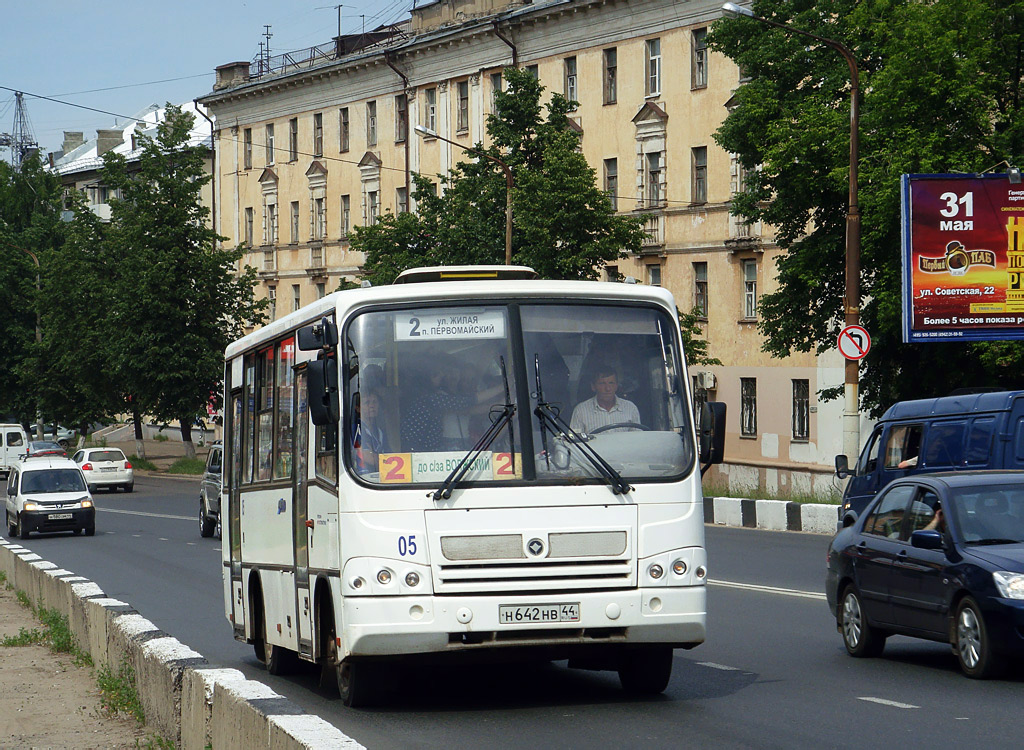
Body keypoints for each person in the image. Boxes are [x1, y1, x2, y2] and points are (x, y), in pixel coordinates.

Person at [401, 356, 503, 452]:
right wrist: (504, 387)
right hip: (420, 451)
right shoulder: (430, 399)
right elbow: (467, 403)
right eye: (435, 374)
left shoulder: (428, 396)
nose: (442, 376)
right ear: (425, 377)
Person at [570, 365, 641, 435]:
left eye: (611, 383)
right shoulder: (580, 411)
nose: (608, 388)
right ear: (593, 387)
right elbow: (574, 440)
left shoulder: (631, 408)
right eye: (602, 383)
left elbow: (637, 440)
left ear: (616, 386)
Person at [353, 389, 389, 474]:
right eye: (367, 403)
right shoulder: (356, 429)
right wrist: (386, 461)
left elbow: (389, 454)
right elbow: (367, 457)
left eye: (374, 402)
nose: (372, 406)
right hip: (363, 477)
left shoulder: (380, 431)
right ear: (358, 408)